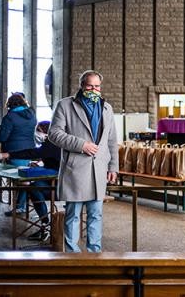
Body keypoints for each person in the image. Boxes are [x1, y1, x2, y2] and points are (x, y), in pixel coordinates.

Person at [48, 70, 119, 253]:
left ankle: (94, 253)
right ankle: (72, 255)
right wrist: (81, 145)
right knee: (73, 216)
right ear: (81, 86)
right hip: (76, 169)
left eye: (97, 86)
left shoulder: (107, 108)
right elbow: (54, 134)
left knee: (96, 214)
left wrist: (113, 166)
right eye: (90, 86)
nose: (94, 89)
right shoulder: (65, 105)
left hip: (99, 169)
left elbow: (111, 140)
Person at [0, 121, 60, 241]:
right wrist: (40, 163)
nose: (36, 133)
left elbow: (31, 152)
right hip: (59, 183)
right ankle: (45, 225)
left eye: (38, 130)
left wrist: (5, 155)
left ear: (46, 132)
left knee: (33, 188)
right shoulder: (55, 143)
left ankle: (45, 225)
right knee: (33, 186)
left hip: (60, 187)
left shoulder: (51, 144)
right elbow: (49, 157)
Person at [0, 92, 38, 216]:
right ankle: (22, 205)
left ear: (10, 104)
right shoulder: (32, 114)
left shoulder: (10, 117)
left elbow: (3, 137)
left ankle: (19, 207)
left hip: (14, 151)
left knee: (18, 180)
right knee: (25, 178)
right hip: (30, 150)